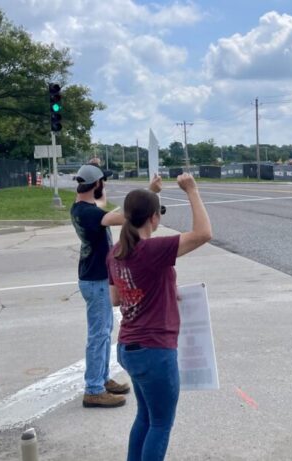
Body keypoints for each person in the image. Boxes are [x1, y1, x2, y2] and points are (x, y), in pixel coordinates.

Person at [107, 173, 212, 461]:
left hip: (128, 347)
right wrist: (191, 190)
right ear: (154, 217)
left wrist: (163, 287)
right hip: (155, 350)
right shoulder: (152, 249)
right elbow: (204, 233)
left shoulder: (115, 252)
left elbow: (116, 298)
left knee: (145, 417)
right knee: (161, 423)